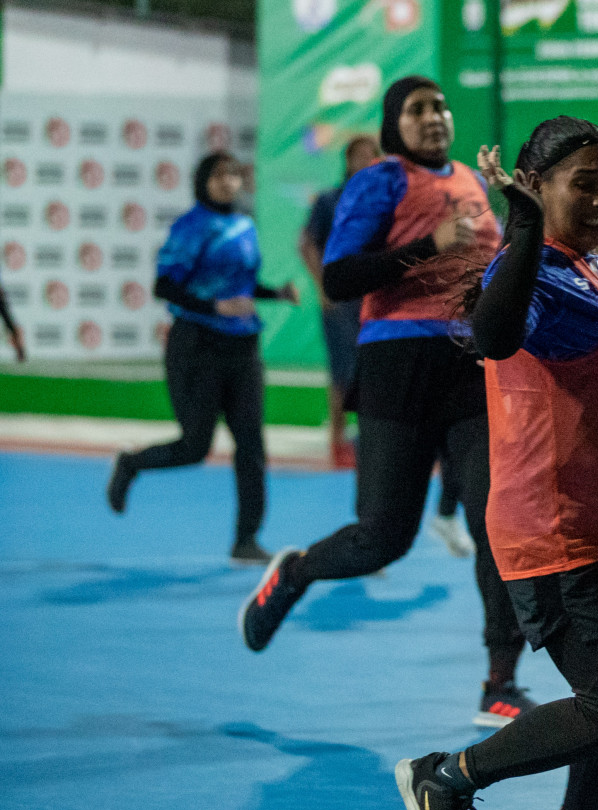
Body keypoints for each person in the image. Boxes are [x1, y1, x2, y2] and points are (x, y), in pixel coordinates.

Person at [393, 120, 598, 810]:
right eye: (584, 181)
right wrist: (518, 231)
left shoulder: (591, 268)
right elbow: (493, 332)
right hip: (557, 531)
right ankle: (446, 777)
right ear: (536, 186)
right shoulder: (538, 278)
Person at [237, 76, 532, 729]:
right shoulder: (376, 181)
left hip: (468, 367)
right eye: (418, 109)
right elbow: (340, 277)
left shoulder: (469, 180)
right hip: (396, 363)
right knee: (382, 538)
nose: (434, 117)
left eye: (441, 106)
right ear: (395, 122)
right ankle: (296, 573)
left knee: (495, 522)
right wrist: (429, 247)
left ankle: (501, 680)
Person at [107, 151, 298, 564]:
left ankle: (246, 540)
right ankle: (131, 463)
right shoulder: (190, 226)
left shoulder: (244, 224)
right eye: (219, 175)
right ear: (202, 181)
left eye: (233, 174)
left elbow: (239, 286)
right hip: (197, 346)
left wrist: (275, 294)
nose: (228, 181)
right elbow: (164, 286)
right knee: (195, 446)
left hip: (243, 347)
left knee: (251, 447)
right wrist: (214, 310)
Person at [299, 134, 382, 468]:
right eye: (358, 155)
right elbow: (307, 244)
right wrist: (323, 289)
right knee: (342, 373)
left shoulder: (384, 199)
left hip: (375, 301)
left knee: (373, 370)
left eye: (371, 155)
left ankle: (369, 438)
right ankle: (336, 440)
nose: (364, 161)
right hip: (340, 301)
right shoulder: (329, 200)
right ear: (346, 160)